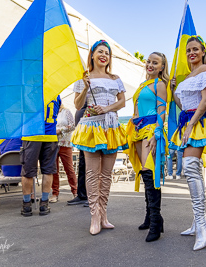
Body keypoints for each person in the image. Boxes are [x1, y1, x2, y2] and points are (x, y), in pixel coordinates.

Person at [169, 35, 206, 251]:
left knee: (191, 168)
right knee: (193, 172)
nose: (191, 53)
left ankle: (202, 224)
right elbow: (184, 104)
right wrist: (174, 91)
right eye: (189, 50)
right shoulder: (189, 75)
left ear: (202, 51)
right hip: (188, 123)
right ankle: (197, 221)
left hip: (197, 123)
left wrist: (191, 124)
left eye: (195, 49)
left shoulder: (205, 70)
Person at [71, 40, 128, 235]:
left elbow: (122, 102)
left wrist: (107, 108)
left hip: (111, 127)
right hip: (91, 128)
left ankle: (103, 214)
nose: (104, 55)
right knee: (92, 174)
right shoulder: (83, 78)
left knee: (106, 175)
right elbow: (78, 105)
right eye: (100, 52)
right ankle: (94, 216)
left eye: (107, 53)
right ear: (93, 55)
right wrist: (86, 88)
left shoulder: (115, 78)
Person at [126, 52, 169, 242]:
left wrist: (156, 134)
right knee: (145, 175)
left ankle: (154, 223)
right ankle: (152, 218)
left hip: (150, 130)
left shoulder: (159, 84)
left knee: (149, 172)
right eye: (149, 61)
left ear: (161, 67)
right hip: (137, 130)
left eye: (155, 62)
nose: (150, 65)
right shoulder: (144, 84)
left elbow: (162, 111)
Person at [21, 96, 61, 217]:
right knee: (48, 171)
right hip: (50, 135)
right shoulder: (56, 93)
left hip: (31, 134)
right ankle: (44, 203)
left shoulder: (29, 90)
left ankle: (27, 205)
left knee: (28, 171)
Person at [50, 105, 77, 203]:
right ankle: (55, 193)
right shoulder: (49, 113)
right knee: (54, 170)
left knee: (69, 169)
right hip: (52, 143)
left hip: (65, 143)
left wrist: (60, 130)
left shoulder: (66, 112)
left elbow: (73, 126)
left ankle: (75, 191)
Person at [67, 101, 88, 206]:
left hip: (92, 131)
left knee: (91, 167)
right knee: (82, 165)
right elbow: (77, 103)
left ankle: (92, 196)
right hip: (82, 133)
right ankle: (82, 194)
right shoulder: (81, 90)